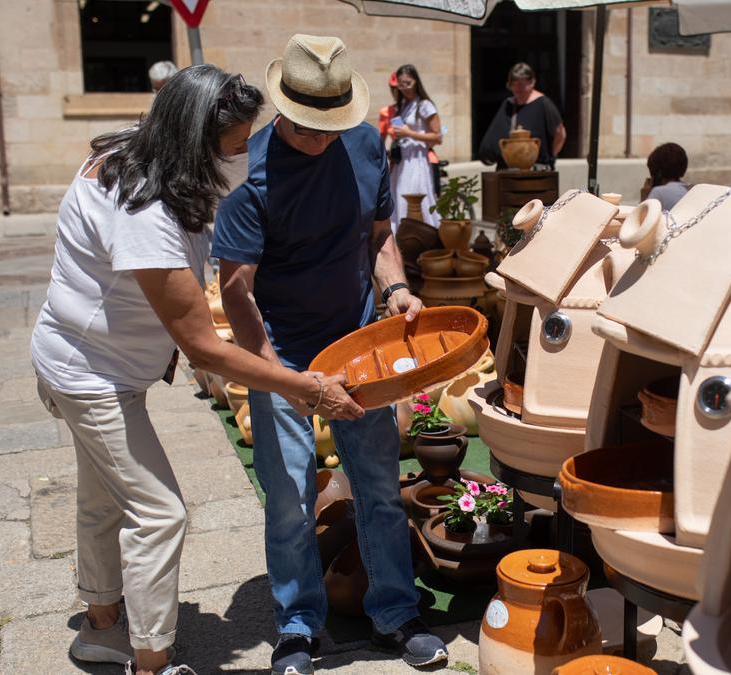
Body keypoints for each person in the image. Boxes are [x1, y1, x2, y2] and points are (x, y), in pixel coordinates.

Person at [30, 65, 334, 675]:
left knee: (101, 499)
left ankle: (101, 624)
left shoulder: (140, 154)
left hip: (82, 364)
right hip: (92, 378)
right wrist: (305, 388)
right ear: (196, 141)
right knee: (159, 512)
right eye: (237, 144)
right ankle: (151, 659)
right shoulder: (143, 212)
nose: (246, 154)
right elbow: (202, 346)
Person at [211, 35, 445, 675]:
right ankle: (296, 627)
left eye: (331, 128)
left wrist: (396, 289)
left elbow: (377, 237)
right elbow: (236, 295)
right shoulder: (247, 174)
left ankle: (396, 614)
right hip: (279, 352)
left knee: (379, 487)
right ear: (282, 109)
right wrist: (286, 381)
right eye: (311, 129)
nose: (322, 140)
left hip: (359, 342)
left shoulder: (367, 145)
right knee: (288, 497)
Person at [477, 62, 566, 170]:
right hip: (509, 169)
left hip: (536, 169)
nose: (518, 88)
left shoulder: (544, 104)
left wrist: (551, 156)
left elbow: (560, 133)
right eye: (514, 84)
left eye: (522, 84)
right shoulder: (508, 104)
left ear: (532, 82)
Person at [388, 64, 443, 231]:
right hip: (402, 160)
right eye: (401, 84)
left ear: (416, 82)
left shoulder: (425, 105)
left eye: (408, 83)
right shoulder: (403, 105)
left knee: (415, 199)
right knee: (398, 198)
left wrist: (409, 133)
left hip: (417, 160)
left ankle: (423, 236)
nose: (404, 88)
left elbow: (438, 137)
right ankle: (402, 239)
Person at [643, 143, 691, 211]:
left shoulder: (659, 192)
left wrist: (644, 197)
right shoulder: (691, 190)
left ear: (658, 173)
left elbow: (641, 218)